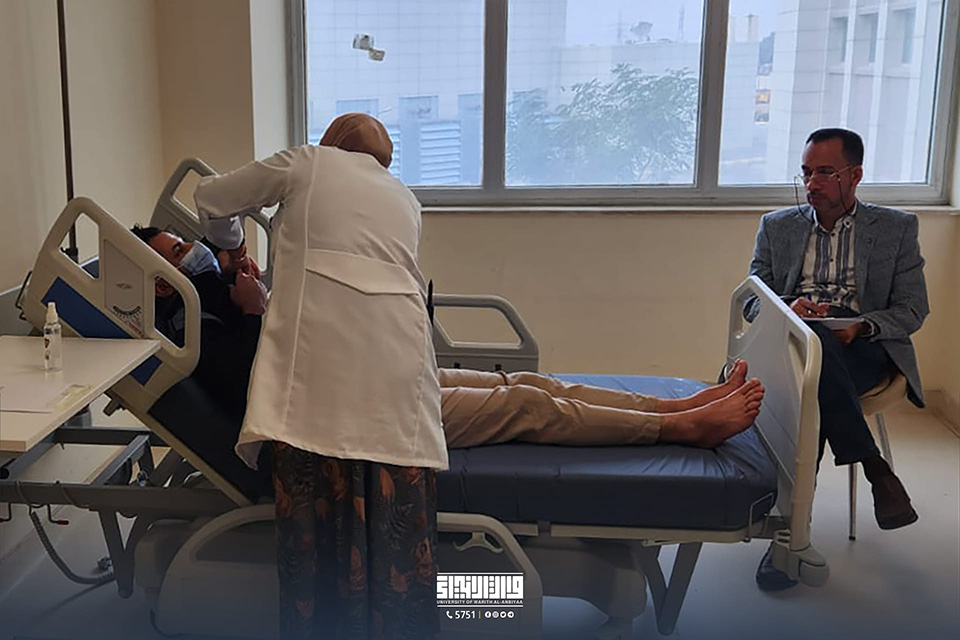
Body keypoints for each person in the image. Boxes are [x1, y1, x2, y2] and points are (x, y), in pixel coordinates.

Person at [193, 113, 444, 640]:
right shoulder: (405, 198)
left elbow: (211, 197)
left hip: (322, 377)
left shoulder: (307, 162)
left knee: (320, 507)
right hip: (405, 371)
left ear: (332, 141)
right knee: (396, 511)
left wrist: (232, 246)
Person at [748, 127, 929, 590]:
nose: (812, 183)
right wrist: (786, 306)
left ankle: (788, 535)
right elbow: (752, 301)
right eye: (806, 172)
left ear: (855, 175)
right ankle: (872, 466)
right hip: (797, 339)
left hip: (863, 342)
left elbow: (912, 309)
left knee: (812, 378)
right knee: (813, 356)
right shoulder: (777, 226)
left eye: (825, 172)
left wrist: (861, 325)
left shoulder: (895, 228)